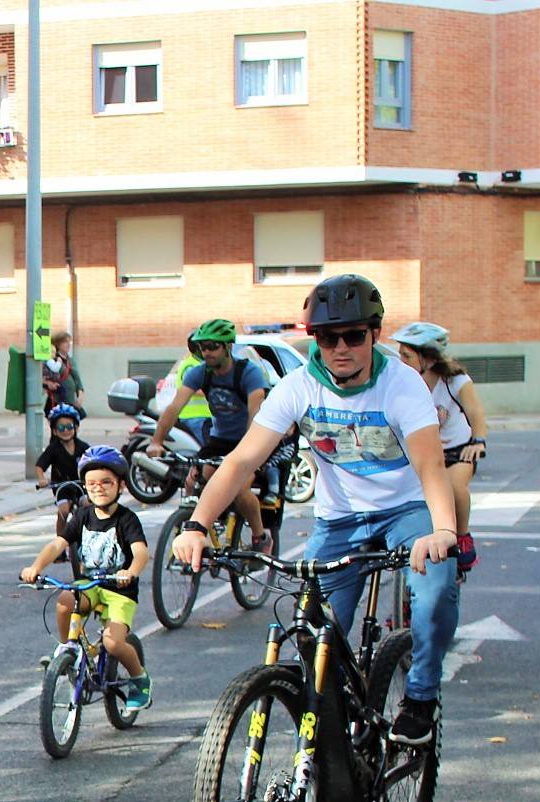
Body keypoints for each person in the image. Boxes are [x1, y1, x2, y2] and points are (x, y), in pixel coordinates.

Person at [173, 274, 457, 746]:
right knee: (314, 631)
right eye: (327, 338)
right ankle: (341, 725)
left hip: (407, 509)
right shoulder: (299, 387)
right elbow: (243, 459)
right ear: (315, 339)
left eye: (353, 336)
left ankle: (421, 695)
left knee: (435, 589)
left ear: (375, 334)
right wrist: (198, 524)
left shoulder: (402, 386)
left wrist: (443, 531)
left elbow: (430, 465)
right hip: (339, 518)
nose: (339, 348)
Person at [18, 445, 152, 714]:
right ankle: (67, 649)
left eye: (106, 482)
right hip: (89, 585)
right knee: (65, 600)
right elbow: (57, 545)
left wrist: (130, 572)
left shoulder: (127, 519)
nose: (98, 488)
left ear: (121, 486)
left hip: (118, 590)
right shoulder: (82, 516)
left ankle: (140, 679)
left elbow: (141, 553)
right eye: (91, 483)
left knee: (113, 643)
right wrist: (35, 567)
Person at [149, 318, 272, 552]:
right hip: (220, 439)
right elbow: (174, 407)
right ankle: (195, 530)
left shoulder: (249, 373)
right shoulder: (199, 373)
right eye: (202, 347)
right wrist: (157, 441)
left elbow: (255, 415)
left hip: (250, 437)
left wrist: (247, 455)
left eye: (212, 346)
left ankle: (260, 537)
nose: (206, 352)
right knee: (194, 480)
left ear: (227, 347)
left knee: (238, 488)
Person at [390, 322, 487, 573]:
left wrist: (478, 441)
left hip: (458, 451)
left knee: (454, 487)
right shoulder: (401, 384)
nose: (400, 360)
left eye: (407, 356)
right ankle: (406, 601)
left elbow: (475, 411)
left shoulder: (455, 381)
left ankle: (462, 537)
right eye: (399, 354)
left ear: (429, 360)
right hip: (423, 454)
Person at [33, 403, 88, 535]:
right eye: (61, 428)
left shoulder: (83, 447)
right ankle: (60, 543)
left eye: (69, 427)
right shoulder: (53, 449)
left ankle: (90, 536)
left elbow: (94, 463)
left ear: (76, 428)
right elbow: (40, 466)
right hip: (61, 487)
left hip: (81, 485)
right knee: (63, 511)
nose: (65, 431)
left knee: (88, 506)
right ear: (54, 430)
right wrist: (42, 479)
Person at [42, 330, 85, 414]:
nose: (68, 344)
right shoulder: (51, 360)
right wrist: (48, 384)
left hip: (71, 401)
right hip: (56, 400)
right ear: (57, 344)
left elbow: (77, 380)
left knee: (73, 424)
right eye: (65, 342)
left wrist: (80, 397)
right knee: (58, 424)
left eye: (70, 342)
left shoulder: (71, 360)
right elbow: (40, 376)